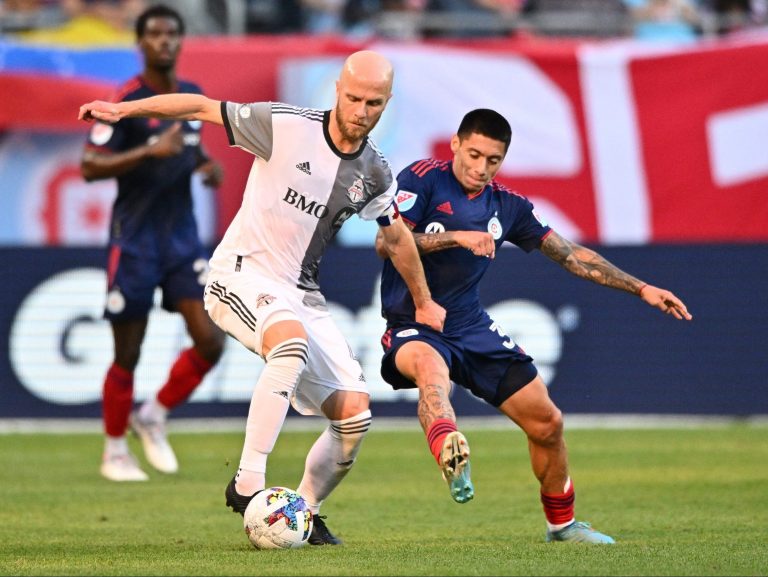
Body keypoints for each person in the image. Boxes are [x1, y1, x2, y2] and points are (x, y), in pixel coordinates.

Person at [79, 50, 446, 545]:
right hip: (241, 274)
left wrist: (423, 301)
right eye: (354, 97)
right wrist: (126, 110)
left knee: (355, 415)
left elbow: (396, 235)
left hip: (302, 294)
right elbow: (200, 107)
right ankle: (247, 480)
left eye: (374, 103)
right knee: (289, 346)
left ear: (388, 103)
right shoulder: (282, 124)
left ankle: (304, 513)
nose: (361, 110)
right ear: (337, 89)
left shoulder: (375, 172)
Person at [376, 108, 692, 544]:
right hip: (414, 321)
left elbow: (569, 255)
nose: (481, 168)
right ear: (455, 144)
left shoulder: (508, 206)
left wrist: (641, 289)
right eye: (474, 154)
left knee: (548, 423)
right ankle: (450, 447)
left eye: (493, 160)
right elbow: (385, 241)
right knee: (433, 374)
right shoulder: (422, 178)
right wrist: (455, 236)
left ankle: (562, 526)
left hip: (471, 328)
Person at [79, 4, 226, 483]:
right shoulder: (125, 100)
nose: (164, 42)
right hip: (136, 239)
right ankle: (114, 450)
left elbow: (189, 144)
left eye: (172, 34)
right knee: (129, 351)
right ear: (140, 42)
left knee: (210, 339)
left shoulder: (194, 96)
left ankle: (155, 413)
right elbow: (88, 165)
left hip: (182, 239)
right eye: (155, 34)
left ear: (182, 42)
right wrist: (147, 149)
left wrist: (204, 164)